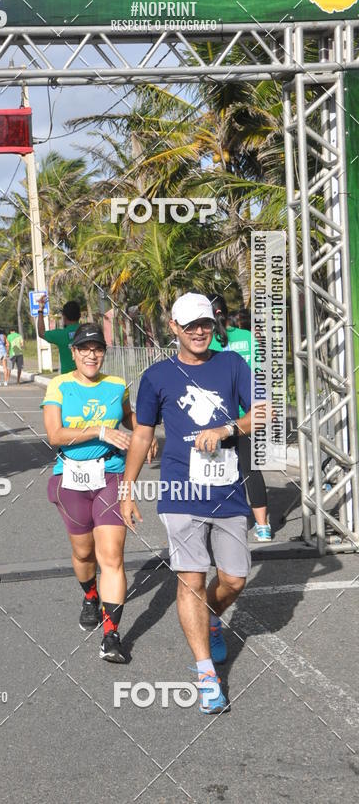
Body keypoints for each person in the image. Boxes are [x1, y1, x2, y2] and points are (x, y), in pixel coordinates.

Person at [120, 292, 263, 714]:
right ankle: (206, 676)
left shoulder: (232, 365)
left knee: (234, 579)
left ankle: (212, 617)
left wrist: (226, 429)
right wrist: (126, 489)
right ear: (174, 328)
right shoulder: (158, 376)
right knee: (191, 579)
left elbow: (262, 411)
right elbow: (143, 435)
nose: (199, 331)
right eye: (190, 325)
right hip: (181, 493)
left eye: (205, 324)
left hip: (228, 492)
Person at [42, 323, 156, 664]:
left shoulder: (116, 385)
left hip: (111, 473)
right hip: (72, 477)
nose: (91, 354)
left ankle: (111, 636)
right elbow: (55, 435)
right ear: (74, 353)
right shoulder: (59, 386)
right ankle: (90, 594)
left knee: (112, 556)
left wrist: (142, 434)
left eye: (98, 348)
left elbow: (130, 417)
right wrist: (101, 430)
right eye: (84, 349)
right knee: (83, 554)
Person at [209, 295, 271, 542]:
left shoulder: (207, 342)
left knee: (217, 468)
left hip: (221, 414)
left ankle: (223, 522)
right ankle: (263, 525)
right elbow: (259, 372)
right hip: (249, 413)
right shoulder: (246, 337)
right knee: (250, 468)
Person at [36, 296, 81, 374]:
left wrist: (40, 310)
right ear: (79, 315)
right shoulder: (87, 330)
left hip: (68, 381)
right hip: (87, 379)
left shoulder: (61, 335)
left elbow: (41, 332)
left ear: (64, 317)